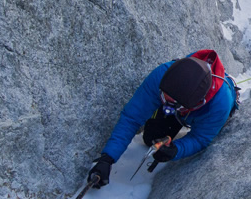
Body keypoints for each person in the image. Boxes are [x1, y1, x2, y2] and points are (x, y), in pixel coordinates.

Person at [89, 50, 238, 187]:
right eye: (163, 97)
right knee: (151, 138)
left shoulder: (219, 104)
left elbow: (201, 138)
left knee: (167, 146)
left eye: (172, 104)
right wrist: (108, 158)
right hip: (185, 105)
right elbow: (132, 117)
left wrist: (177, 150)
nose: (166, 105)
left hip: (209, 110)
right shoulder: (162, 75)